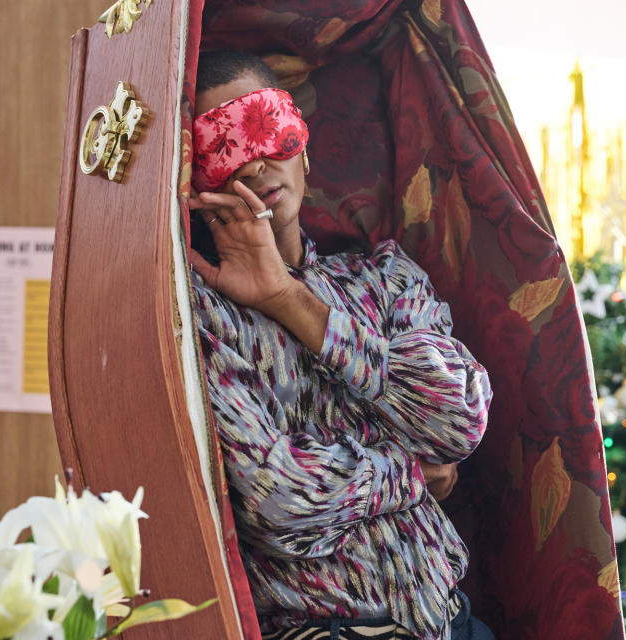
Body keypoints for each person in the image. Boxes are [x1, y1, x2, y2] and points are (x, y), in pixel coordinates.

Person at [188, 50, 494, 640]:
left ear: (302, 150)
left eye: (268, 131)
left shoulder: (387, 278)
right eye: (224, 148)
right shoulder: (203, 320)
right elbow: (277, 502)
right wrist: (406, 474)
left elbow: (459, 420)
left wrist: (288, 301)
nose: (254, 165)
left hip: (454, 621)